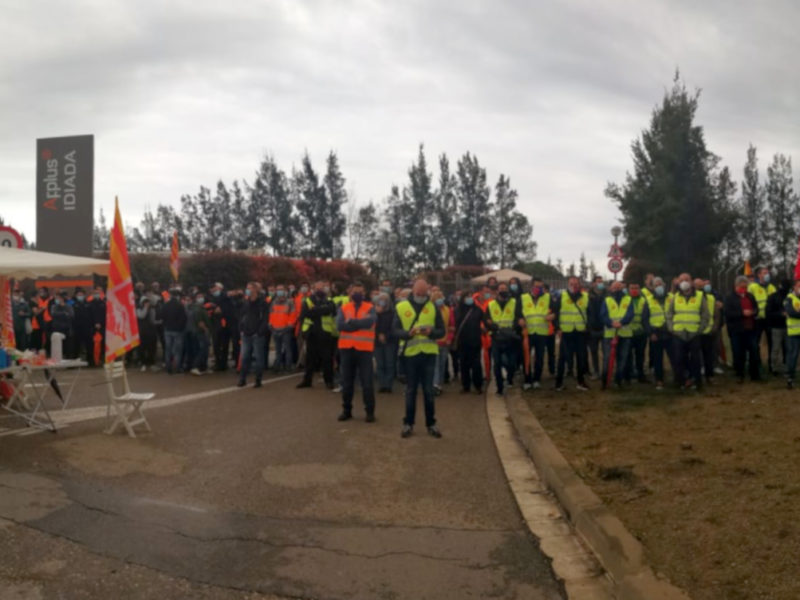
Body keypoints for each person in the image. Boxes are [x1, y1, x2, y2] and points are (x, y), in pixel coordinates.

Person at [393, 279, 444, 438]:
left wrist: (431, 332)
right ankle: (408, 423)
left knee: (428, 391)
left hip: (428, 354)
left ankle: (431, 423)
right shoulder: (401, 307)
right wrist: (407, 334)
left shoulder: (433, 307)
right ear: (413, 291)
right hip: (410, 354)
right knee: (410, 390)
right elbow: (394, 330)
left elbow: (441, 331)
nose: (421, 296)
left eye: (424, 294)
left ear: (427, 292)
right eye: (418, 293)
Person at [336, 282, 377, 422]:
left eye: (360, 291)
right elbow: (339, 325)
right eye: (355, 291)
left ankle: (370, 412)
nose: (357, 294)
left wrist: (351, 322)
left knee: (367, 383)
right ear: (350, 293)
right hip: (347, 349)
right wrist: (358, 324)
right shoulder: (343, 307)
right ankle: (346, 410)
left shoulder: (370, 308)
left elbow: (370, 323)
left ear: (364, 293)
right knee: (347, 383)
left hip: (364, 350)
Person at [667, 273, 709, 390]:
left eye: (687, 280)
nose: (684, 282)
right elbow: (670, 313)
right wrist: (671, 328)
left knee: (695, 359)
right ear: (678, 283)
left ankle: (696, 381)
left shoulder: (700, 296)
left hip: (694, 333)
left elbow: (705, 314)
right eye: (681, 280)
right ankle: (681, 381)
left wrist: (700, 329)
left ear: (691, 282)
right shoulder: (675, 297)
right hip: (678, 333)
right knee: (679, 358)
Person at [296, 281, 337, 389]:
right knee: (310, 359)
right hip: (311, 333)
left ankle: (329, 381)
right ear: (313, 289)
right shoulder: (308, 300)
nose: (320, 290)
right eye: (317, 288)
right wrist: (321, 310)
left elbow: (331, 310)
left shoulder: (329, 300)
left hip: (325, 333)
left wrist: (315, 310)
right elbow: (305, 314)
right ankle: (307, 380)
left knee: (327, 359)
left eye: (322, 288)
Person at [485, 282, 522, 395]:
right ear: (497, 291)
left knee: (511, 363)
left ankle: (510, 378)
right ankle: (499, 387)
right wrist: (491, 326)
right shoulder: (491, 305)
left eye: (505, 288)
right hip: (497, 337)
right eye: (501, 288)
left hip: (510, 337)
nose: (503, 290)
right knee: (497, 364)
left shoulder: (514, 302)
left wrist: (516, 326)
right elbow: (486, 319)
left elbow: (518, 316)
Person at [553, 276, 590, 391]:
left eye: (576, 283)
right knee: (563, 358)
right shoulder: (562, 296)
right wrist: (557, 328)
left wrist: (587, 327)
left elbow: (590, 313)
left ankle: (580, 381)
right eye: (571, 283)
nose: (574, 285)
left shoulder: (585, 296)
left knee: (581, 358)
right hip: (566, 331)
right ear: (568, 284)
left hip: (580, 331)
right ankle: (559, 383)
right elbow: (555, 313)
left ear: (579, 284)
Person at [724, 276, 761, 383]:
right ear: (736, 286)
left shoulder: (750, 296)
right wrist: (742, 314)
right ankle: (739, 374)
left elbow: (756, 308)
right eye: (742, 287)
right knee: (738, 353)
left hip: (751, 329)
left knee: (754, 352)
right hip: (737, 330)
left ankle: (755, 374)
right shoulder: (729, 298)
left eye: (746, 287)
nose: (744, 289)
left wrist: (753, 312)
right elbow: (727, 313)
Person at [520, 278, 554, 390]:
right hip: (527, 332)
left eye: (541, 287)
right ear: (531, 286)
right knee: (526, 357)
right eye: (537, 287)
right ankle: (527, 379)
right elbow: (517, 313)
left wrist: (553, 316)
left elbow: (556, 310)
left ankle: (536, 379)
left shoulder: (548, 297)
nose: (539, 289)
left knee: (539, 357)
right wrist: (519, 320)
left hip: (541, 332)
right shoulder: (523, 298)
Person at [601, 281, 634, 388]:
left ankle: (618, 380)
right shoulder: (607, 300)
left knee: (622, 359)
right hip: (610, 334)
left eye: (619, 287)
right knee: (607, 358)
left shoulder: (628, 299)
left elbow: (630, 314)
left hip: (625, 334)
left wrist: (622, 322)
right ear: (610, 288)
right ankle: (605, 381)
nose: (617, 289)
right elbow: (603, 315)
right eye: (614, 287)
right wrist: (611, 323)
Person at [237, 282, 268, 387]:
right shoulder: (245, 302)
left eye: (250, 288)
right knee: (245, 357)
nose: (248, 290)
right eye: (247, 288)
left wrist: (259, 332)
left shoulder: (262, 303)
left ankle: (258, 379)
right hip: (246, 334)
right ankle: (242, 379)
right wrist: (241, 329)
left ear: (255, 290)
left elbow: (265, 319)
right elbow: (241, 316)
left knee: (259, 357)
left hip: (257, 335)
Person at [454, 290, 484, 394]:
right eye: (467, 296)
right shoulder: (458, 310)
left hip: (475, 341)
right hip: (463, 342)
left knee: (476, 365)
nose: (469, 298)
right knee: (463, 365)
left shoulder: (477, 310)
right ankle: (465, 385)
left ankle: (478, 385)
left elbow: (485, 320)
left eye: (471, 296)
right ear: (463, 298)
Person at [747, 267, 776, 374]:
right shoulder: (752, 287)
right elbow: (749, 301)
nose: (767, 274)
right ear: (759, 275)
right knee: (755, 343)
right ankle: (757, 364)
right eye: (764, 273)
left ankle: (771, 365)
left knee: (771, 343)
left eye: (768, 273)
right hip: (757, 319)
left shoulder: (772, 287)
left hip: (769, 320)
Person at [643, 277, 669, 390]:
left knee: (675, 357)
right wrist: (650, 333)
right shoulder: (648, 300)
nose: (659, 287)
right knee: (657, 359)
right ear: (653, 288)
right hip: (656, 334)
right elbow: (645, 319)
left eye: (660, 284)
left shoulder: (672, 298)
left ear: (664, 285)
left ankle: (680, 379)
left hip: (669, 332)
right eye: (656, 285)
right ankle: (659, 380)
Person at [432, 289, 455, 395]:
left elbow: (451, 326)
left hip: (445, 342)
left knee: (442, 364)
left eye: (441, 297)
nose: (440, 300)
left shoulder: (448, 310)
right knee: (435, 365)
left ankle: (439, 384)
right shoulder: (430, 310)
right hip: (434, 342)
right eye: (437, 298)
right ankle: (435, 384)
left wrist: (449, 338)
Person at [268, 284, 295, 371]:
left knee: (287, 349)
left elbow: (293, 315)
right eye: (278, 290)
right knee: (278, 350)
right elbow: (271, 315)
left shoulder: (290, 302)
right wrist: (271, 326)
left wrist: (288, 327)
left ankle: (288, 366)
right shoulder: (273, 302)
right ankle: (277, 366)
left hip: (286, 329)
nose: (279, 292)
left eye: (281, 290)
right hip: (275, 329)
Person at [373, 292, 396, 393]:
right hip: (377, 341)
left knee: (389, 364)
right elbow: (372, 326)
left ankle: (388, 385)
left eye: (385, 299)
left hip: (389, 341)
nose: (382, 302)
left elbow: (394, 327)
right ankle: (382, 384)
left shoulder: (392, 313)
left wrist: (385, 335)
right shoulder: (374, 314)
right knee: (380, 364)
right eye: (380, 299)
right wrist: (378, 334)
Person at [766, 279, 790, 376]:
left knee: (787, 348)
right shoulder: (773, 297)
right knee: (775, 348)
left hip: (788, 326)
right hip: (776, 326)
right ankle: (774, 367)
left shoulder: (790, 297)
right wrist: (780, 314)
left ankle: (786, 366)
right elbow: (769, 312)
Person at [161, 288, 187, 374]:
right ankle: (177, 368)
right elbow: (184, 318)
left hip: (167, 330)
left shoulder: (166, 305)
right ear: (178, 296)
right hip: (178, 331)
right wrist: (181, 328)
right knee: (177, 350)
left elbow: (162, 317)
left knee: (168, 349)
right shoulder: (180, 305)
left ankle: (168, 368)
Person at [210, 282, 234, 372]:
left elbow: (229, 309)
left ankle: (223, 363)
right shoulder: (212, 298)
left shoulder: (226, 298)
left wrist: (221, 310)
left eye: (215, 289)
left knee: (224, 345)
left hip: (225, 325)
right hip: (215, 325)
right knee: (216, 345)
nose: (214, 291)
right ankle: (218, 362)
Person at [627, 283, 648, 383]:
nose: (634, 290)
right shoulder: (625, 300)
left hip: (641, 332)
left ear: (640, 289)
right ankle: (629, 374)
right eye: (632, 288)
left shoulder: (644, 300)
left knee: (640, 355)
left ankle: (640, 374)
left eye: (636, 288)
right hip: (628, 332)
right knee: (628, 355)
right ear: (628, 289)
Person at [586, 276, 606, 379]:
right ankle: (596, 371)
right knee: (593, 352)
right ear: (593, 283)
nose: (600, 284)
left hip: (604, 328)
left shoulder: (607, 296)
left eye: (601, 282)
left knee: (605, 352)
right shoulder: (588, 296)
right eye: (598, 282)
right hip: (592, 329)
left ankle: (605, 372)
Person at [188, 291, 211, 375]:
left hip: (198, 331)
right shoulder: (198, 309)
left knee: (203, 349)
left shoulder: (199, 307)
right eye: (199, 296)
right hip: (200, 331)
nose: (201, 298)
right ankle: (196, 366)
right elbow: (200, 322)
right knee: (203, 349)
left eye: (202, 296)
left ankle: (203, 367)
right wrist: (206, 329)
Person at [783, 280, 800, 389]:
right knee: (793, 355)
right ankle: (790, 377)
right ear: (794, 287)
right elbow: (791, 312)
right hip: (793, 333)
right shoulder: (789, 298)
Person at [136, 295, 158, 372]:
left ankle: (151, 363)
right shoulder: (138, 309)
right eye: (145, 302)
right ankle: (143, 363)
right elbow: (141, 316)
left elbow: (153, 320)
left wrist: (158, 322)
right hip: (142, 332)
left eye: (147, 302)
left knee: (151, 348)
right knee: (142, 349)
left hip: (150, 331)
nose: (146, 303)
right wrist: (145, 308)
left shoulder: (152, 309)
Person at [72, 288, 94, 364]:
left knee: (89, 345)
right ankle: (75, 360)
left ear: (84, 295)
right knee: (76, 345)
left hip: (87, 327)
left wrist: (92, 326)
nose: (80, 296)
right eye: (78, 295)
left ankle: (90, 361)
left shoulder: (88, 304)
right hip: (77, 328)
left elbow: (92, 316)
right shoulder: (74, 305)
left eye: (81, 295)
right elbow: (72, 317)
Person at [49, 291, 74, 358]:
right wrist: (64, 314)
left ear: (62, 299)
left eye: (58, 298)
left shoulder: (68, 306)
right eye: (56, 298)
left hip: (66, 329)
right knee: (58, 345)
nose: (57, 300)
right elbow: (53, 314)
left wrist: (63, 314)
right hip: (57, 328)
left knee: (67, 345)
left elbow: (71, 315)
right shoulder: (54, 306)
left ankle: (68, 359)